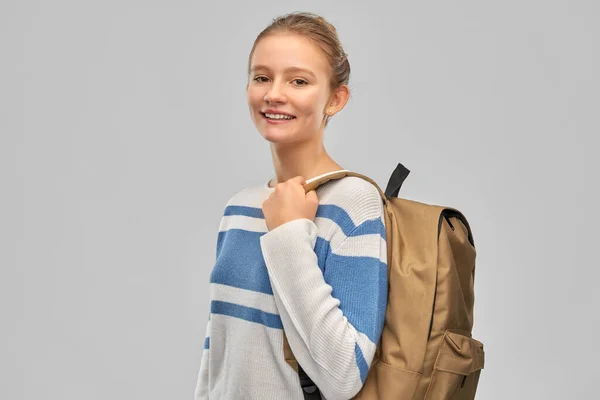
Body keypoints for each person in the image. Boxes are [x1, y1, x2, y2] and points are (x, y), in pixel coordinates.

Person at [194, 12, 388, 400]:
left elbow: (344, 375)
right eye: (262, 77)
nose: (273, 94)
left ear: (335, 99)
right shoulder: (241, 208)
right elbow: (218, 357)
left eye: (298, 81)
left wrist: (288, 234)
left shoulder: (355, 204)